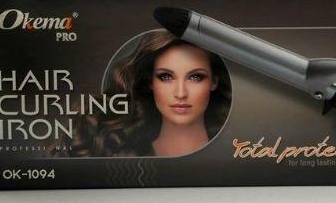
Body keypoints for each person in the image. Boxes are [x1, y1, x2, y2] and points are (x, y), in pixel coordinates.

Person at [56, 30, 231, 157]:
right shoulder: (124, 158)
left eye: (195, 77)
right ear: (150, 82)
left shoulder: (234, 155)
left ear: (214, 82)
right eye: (166, 77)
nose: (180, 93)